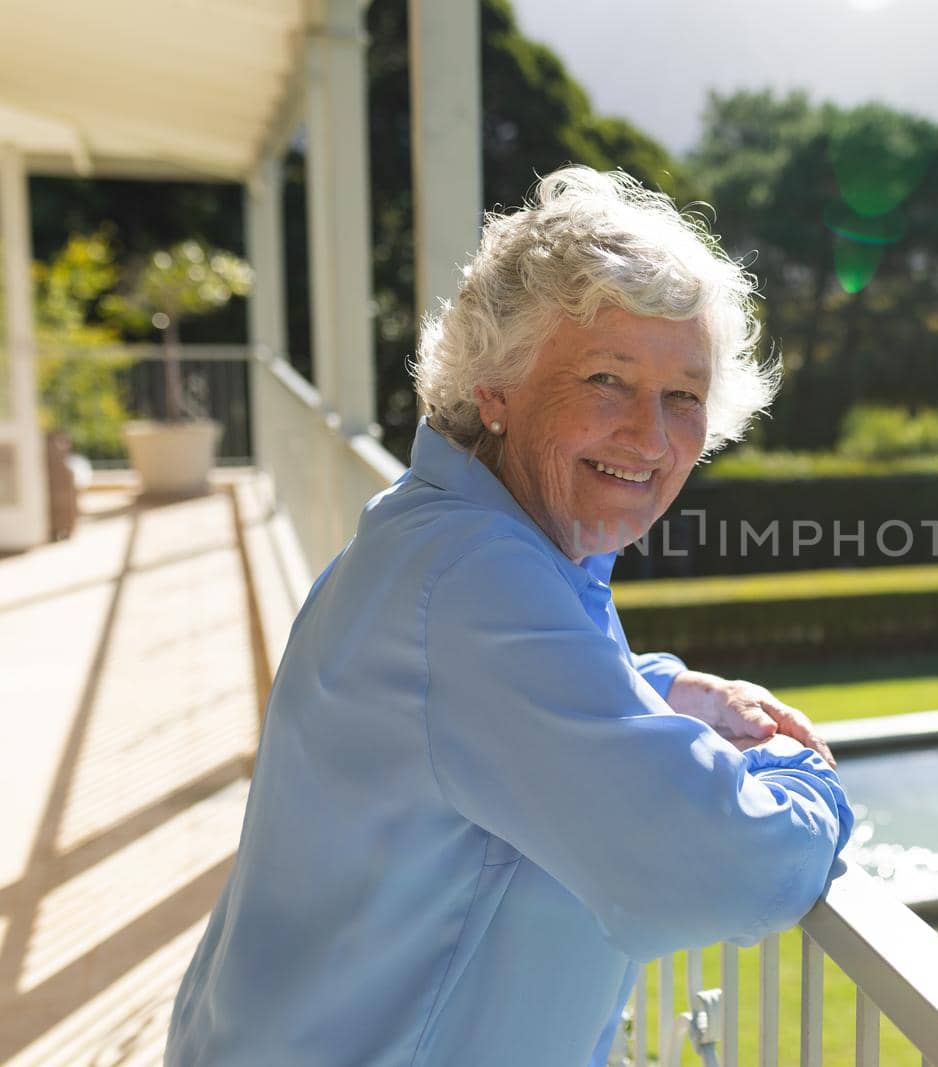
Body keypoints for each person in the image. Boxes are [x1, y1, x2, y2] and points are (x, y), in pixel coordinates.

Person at [166, 167, 854, 1066]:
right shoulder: (473, 578)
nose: (650, 436)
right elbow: (711, 864)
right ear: (494, 386)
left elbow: (493, 704)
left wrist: (664, 689)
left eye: (683, 395)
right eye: (608, 378)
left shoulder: (458, 540)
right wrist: (809, 780)